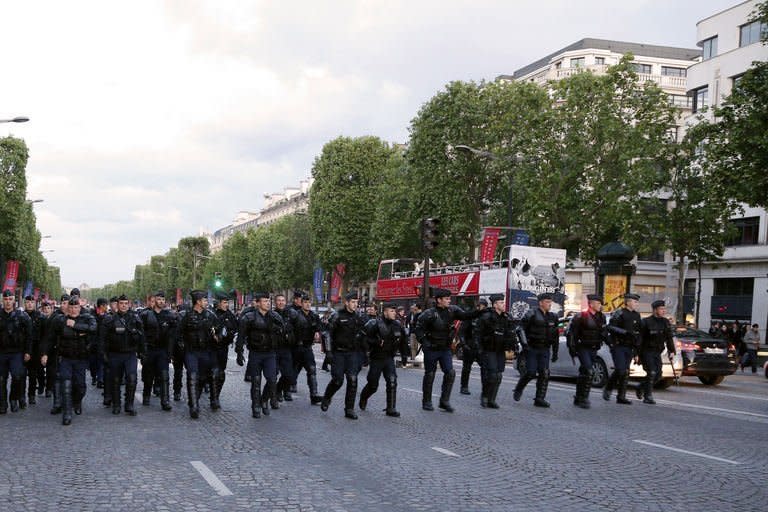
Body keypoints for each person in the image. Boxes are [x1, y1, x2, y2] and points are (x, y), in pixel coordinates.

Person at [415, 289, 479, 412]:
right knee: (430, 374)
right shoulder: (428, 314)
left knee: (450, 373)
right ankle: (426, 401)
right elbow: (418, 329)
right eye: (447, 298)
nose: (449, 300)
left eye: (450, 298)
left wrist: (479, 312)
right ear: (439, 300)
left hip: (445, 348)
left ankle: (444, 401)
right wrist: (425, 342)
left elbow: (466, 316)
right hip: (432, 348)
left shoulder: (453, 310)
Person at [42, 296, 97, 425]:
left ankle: (77, 402)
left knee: (80, 387)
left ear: (80, 307)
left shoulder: (87, 318)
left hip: (80, 358)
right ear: (67, 307)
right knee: (65, 385)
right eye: (71, 307)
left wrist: (76, 326)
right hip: (65, 358)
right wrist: (45, 353)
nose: (73, 310)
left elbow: (93, 328)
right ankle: (67, 413)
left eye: (76, 307)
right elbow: (50, 338)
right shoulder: (60, 320)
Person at [236, 292, 283, 418]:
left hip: (270, 354)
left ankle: (264, 400)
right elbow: (241, 336)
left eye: (269, 301)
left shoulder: (275, 317)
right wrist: (239, 353)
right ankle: (255, 405)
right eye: (264, 301)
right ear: (257, 303)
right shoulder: (249, 317)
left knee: (272, 379)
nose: (268, 303)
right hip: (256, 353)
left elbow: (283, 333)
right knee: (256, 382)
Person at [321, 293, 367, 419]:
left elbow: (363, 336)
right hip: (338, 353)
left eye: (356, 302)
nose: (355, 304)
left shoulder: (359, 317)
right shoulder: (337, 316)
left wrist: (365, 354)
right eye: (352, 302)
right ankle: (327, 397)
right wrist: (329, 352)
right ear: (346, 302)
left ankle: (349, 409)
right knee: (338, 381)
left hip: (353, 353)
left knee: (352, 380)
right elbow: (327, 334)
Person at [176, 290, 221, 418]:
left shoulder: (210, 316)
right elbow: (178, 334)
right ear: (198, 302)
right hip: (191, 352)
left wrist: (218, 337)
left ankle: (194, 398)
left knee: (202, 378)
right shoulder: (187, 316)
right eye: (205, 300)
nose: (207, 302)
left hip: (206, 352)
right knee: (192, 376)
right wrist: (181, 348)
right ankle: (194, 407)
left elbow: (219, 330)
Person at [99, 294, 145, 416]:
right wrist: (103, 353)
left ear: (129, 304)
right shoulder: (110, 319)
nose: (124, 306)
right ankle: (116, 404)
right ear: (117, 305)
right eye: (121, 303)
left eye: (126, 303)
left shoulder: (135, 318)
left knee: (132, 379)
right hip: (115, 354)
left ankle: (129, 405)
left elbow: (142, 337)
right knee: (115, 380)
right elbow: (102, 338)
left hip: (130, 354)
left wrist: (143, 352)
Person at [513, 293, 559, 408]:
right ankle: (519, 388)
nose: (549, 304)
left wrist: (555, 352)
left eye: (550, 302)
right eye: (547, 302)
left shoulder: (553, 317)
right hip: (532, 348)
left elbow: (555, 336)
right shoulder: (531, 313)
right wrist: (525, 345)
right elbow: (520, 329)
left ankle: (539, 399)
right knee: (531, 373)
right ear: (541, 303)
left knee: (545, 373)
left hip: (545, 349)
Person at [358, 302, 405, 417]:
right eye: (392, 311)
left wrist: (404, 355)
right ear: (385, 312)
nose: (394, 313)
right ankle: (363, 397)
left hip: (389, 357)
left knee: (392, 381)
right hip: (376, 358)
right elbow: (363, 337)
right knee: (373, 384)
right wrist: (376, 342)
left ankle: (391, 408)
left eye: (395, 311)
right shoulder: (374, 323)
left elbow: (403, 341)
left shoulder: (397, 325)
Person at [474, 294, 519, 408]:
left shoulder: (506, 317)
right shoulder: (486, 317)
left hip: (500, 351)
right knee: (492, 375)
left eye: (503, 302)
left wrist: (514, 346)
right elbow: (477, 334)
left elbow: (512, 333)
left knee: (498, 375)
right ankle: (485, 396)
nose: (503, 304)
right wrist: (479, 350)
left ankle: (491, 399)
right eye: (500, 302)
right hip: (489, 350)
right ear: (494, 305)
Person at [567, 294, 607, 409]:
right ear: (591, 304)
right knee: (589, 371)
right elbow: (572, 334)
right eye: (598, 303)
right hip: (583, 347)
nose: (600, 305)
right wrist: (572, 348)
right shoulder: (581, 316)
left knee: (585, 372)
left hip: (594, 348)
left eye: (600, 303)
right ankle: (584, 398)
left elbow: (603, 332)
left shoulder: (601, 317)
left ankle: (578, 397)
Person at [139, 291, 177, 410]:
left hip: (162, 350)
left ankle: (165, 401)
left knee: (164, 375)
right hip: (149, 349)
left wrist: (170, 352)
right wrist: (141, 351)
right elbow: (141, 334)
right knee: (148, 375)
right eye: (159, 299)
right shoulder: (145, 315)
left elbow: (173, 335)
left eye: (163, 300)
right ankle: (146, 395)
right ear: (154, 300)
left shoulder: (169, 315)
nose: (161, 302)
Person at [604, 293, 642, 405]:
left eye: (636, 302)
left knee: (625, 372)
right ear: (628, 302)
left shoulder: (637, 315)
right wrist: (624, 332)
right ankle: (609, 388)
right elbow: (610, 327)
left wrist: (636, 351)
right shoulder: (619, 313)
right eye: (635, 302)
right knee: (620, 369)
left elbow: (637, 334)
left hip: (629, 346)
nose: (636, 304)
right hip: (618, 345)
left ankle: (621, 396)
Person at [637, 300, 676, 405]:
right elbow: (640, 339)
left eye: (664, 309)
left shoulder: (665, 322)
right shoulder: (645, 322)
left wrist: (672, 351)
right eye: (661, 309)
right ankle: (648, 396)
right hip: (646, 351)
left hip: (657, 352)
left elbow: (669, 337)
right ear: (655, 310)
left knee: (658, 374)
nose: (664, 311)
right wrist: (637, 354)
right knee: (651, 372)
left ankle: (641, 386)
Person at [0, 290, 32, 414]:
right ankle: (2, 404)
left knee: (17, 376)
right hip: (1, 352)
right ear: (3, 300)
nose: (8, 302)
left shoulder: (22, 316)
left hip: (17, 352)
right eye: (6, 299)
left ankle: (14, 399)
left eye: (10, 299)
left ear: (14, 300)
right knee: (1, 379)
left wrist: (28, 351)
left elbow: (29, 335)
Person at [291, 293, 323, 405]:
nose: (308, 304)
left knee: (312, 370)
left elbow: (320, 328)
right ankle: (288, 386)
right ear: (301, 304)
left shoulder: (314, 316)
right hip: (296, 347)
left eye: (309, 302)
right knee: (293, 369)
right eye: (305, 302)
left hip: (307, 347)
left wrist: (318, 333)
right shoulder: (295, 315)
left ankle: (314, 394)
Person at [213, 292, 238, 404]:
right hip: (211, 348)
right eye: (224, 302)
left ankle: (216, 396)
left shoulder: (230, 315)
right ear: (218, 303)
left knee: (221, 374)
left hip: (223, 348)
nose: (226, 305)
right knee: (212, 373)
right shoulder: (211, 314)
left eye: (227, 302)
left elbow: (236, 328)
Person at [458, 299, 487, 395]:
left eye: (481, 306)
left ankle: (485, 389)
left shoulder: (486, 317)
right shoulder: (470, 316)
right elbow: (461, 331)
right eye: (478, 305)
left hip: (481, 346)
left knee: (485, 367)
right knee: (466, 368)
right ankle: (464, 386)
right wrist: (464, 344)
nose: (479, 307)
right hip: (470, 345)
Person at [273, 294, 297, 402]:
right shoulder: (271, 315)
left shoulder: (290, 315)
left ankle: (279, 390)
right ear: (275, 302)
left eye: (283, 300)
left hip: (287, 348)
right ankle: (274, 395)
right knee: (273, 374)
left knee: (288, 374)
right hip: (274, 349)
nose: (281, 302)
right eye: (279, 300)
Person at [23, 295, 44, 406]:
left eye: (32, 302)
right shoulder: (21, 315)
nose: (30, 304)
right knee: (21, 374)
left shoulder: (40, 317)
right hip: (23, 348)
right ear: (25, 303)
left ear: (35, 303)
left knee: (33, 373)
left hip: (36, 348)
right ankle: (21, 396)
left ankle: (31, 395)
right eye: (28, 302)